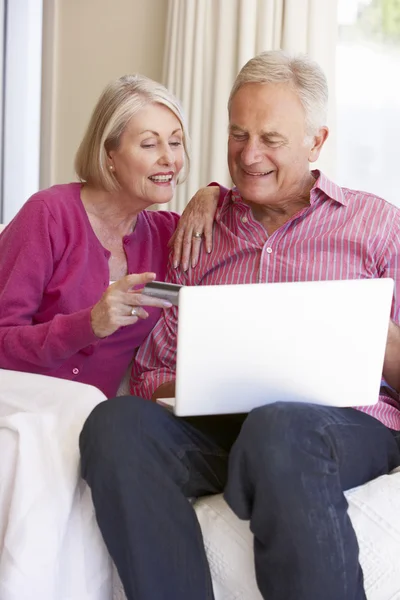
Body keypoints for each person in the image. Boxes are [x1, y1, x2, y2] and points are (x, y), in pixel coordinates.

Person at [79, 51, 400, 600]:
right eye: (237, 134)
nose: (249, 156)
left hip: (341, 426)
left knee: (281, 427)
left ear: (316, 142)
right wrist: (210, 379)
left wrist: (373, 332)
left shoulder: (377, 224)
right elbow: (156, 371)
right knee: (114, 424)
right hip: (224, 427)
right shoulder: (196, 232)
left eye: (271, 139)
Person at [0, 73, 216, 398]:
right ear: (110, 155)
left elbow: (244, 214)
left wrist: (210, 193)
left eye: (175, 142)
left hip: (94, 424)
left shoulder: (170, 234)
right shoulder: (49, 214)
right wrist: (89, 324)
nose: (169, 158)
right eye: (149, 144)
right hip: (22, 403)